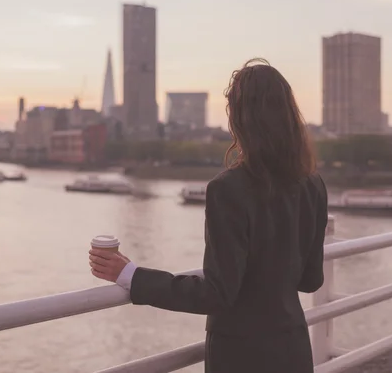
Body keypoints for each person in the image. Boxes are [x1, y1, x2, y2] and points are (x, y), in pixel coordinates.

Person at [89, 58, 329, 373]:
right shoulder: (313, 183)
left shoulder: (228, 189)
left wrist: (130, 275)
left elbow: (217, 294)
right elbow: (311, 280)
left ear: (238, 118)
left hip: (243, 357)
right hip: (293, 350)